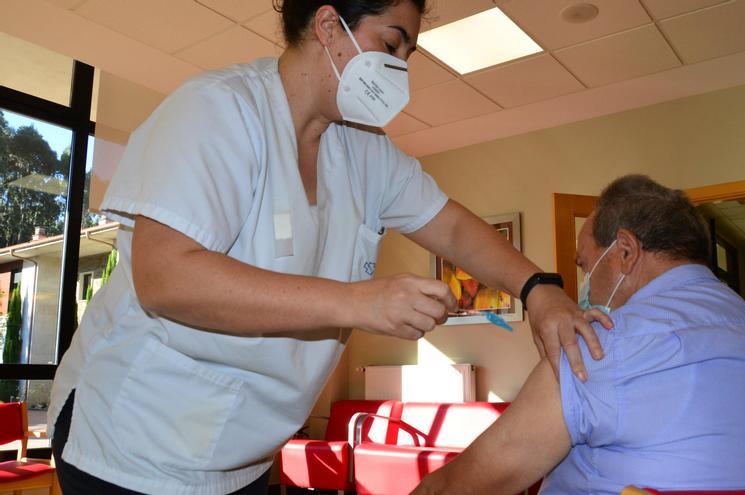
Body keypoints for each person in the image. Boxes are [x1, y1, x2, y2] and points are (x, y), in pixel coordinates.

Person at [46, 2, 610, 494]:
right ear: (328, 26)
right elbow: (167, 279)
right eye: (391, 45)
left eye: (407, 56)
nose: (399, 70)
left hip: (239, 459)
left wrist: (539, 289)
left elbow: (455, 227)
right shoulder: (219, 110)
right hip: (131, 444)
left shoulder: (365, 151)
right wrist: (358, 302)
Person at [414, 175, 745, 495]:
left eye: (584, 264)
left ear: (625, 251)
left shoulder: (600, 346)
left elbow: (464, 485)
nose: (584, 283)